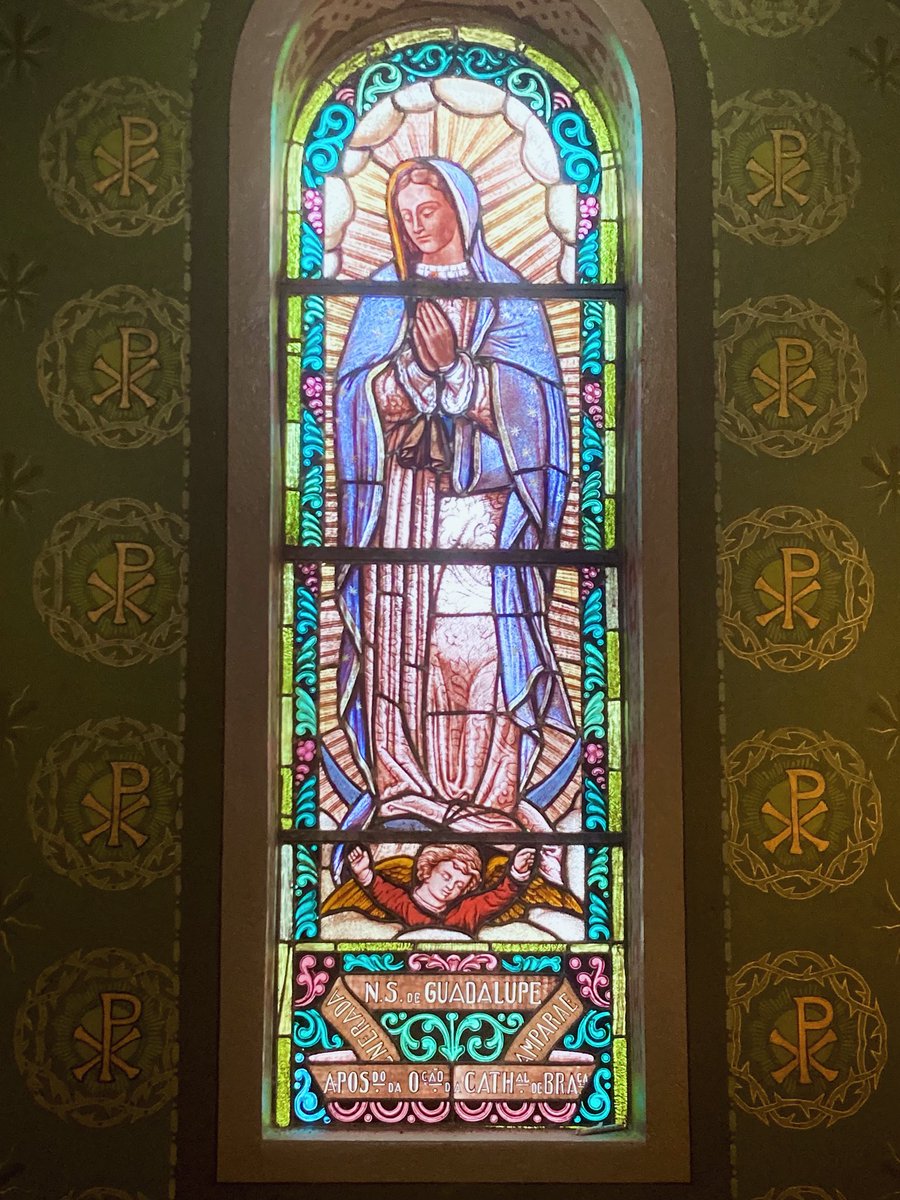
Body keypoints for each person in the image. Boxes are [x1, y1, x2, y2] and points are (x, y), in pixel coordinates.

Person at [331, 157, 576, 850]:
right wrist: (407, 378)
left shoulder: (509, 298)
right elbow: (354, 399)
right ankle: (405, 790)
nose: (416, 225)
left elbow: (541, 417)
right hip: (403, 508)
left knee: (481, 643)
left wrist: (459, 374)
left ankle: (490, 798)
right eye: (405, 215)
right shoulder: (386, 295)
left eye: (428, 210)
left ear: (460, 209)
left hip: (485, 513)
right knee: (401, 640)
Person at [347, 843, 535, 936]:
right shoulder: (406, 904)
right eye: (446, 876)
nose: (450, 886)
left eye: (460, 885)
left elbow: (497, 897)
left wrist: (517, 872)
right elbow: (384, 892)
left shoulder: (467, 911)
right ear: (428, 869)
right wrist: (364, 873)